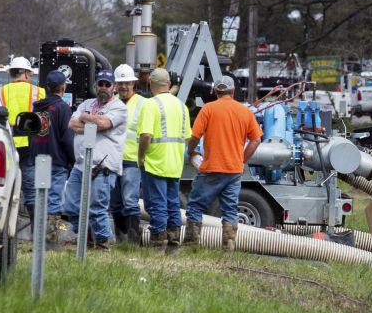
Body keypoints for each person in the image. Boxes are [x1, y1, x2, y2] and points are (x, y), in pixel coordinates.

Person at [184, 77, 262, 249]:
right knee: (230, 210)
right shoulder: (245, 111)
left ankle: (191, 245)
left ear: (215, 92)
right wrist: (241, 160)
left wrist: (190, 152)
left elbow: (195, 136)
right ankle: (228, 245)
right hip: (234, 171)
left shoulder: (208, 109)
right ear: (233, 92)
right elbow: (256, 140)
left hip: (211, 169)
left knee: (196, 205)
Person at [61, 71, 127, 250]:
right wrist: (93, 123)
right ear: (95, 86)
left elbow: (104, 124)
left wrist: (84, 118)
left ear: (113, 87)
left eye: (107, 84)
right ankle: (86, 236)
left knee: (97, 207)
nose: (103, 87)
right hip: (81, 164)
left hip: (103, 166)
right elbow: (71, 124)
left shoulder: (119, 107)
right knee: (70, 205)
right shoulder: (86, 103)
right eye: (100, 84)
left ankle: (103, 244)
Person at [137, 68, 191, 252]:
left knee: (157, 203)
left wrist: (141, 156)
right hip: (175, 163)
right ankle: (174, 241)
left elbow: (145, 135)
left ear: (151, 84)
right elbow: (187, 137)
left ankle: (158, 242)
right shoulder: (182, 106)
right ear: (168, 84)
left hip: (155, 161)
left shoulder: (150, 104)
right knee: (173, 203)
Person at [27, 70, 74, 230]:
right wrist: (72, 159)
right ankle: (49, 239)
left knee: (41, 198)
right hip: (56, 160)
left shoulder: (37, 108)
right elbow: (67, 138)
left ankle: (38, 236)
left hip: (38, 159)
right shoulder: (63, 108)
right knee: (54, 200)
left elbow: (32, 134)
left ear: (46, 87)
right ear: (63, 88)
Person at [0, 55, 43, 212]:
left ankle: (9, 227)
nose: (30, 77)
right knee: (31, 190)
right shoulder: (39, 92)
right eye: (30, 74)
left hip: (7, 145)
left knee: (6, 189)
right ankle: (34, 230)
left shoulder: (0, 91)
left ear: (11, 73)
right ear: (25, 73)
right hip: (30, 145)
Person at [110, 64, 146, 243]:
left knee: (130, 201)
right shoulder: (110, 102)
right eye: (120, 83)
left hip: (132, 160)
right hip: (113, 159)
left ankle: (133, 240)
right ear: (115, 84)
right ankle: (121, 239)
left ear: (133, 83)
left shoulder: (143, 103)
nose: (124, 86)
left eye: (127, 83)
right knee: (115, 203)